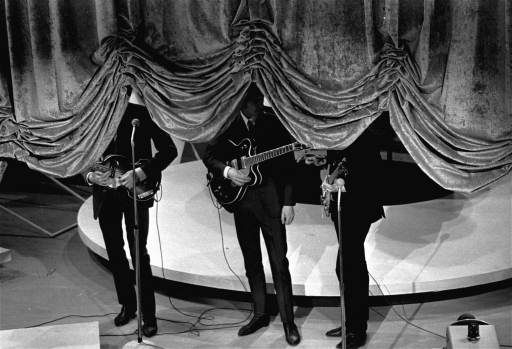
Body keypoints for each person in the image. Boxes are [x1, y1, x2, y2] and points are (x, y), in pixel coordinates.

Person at [202, 85, 301, 346]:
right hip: (241, 200)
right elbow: (209, 156)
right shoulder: (228, 124)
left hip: (270, 199)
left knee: (280, 263)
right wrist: (228, 173)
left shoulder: (273, 123)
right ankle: (259, 313)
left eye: (258, 102)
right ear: (241, 104)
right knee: (252, 261)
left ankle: (288, 322)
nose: (256, 108)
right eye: (251, 103)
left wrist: (288, 203)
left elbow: (290, 166)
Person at [86, 88, 177, 337]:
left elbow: (169, 151)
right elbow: (83, 155)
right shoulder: (94, 116)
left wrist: (140, 173)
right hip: (105, 194)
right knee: (115, 252)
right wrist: (88, 174)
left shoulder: (141, 114)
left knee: (139, 253)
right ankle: (128, 305)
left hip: (135, 193)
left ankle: (149, 316)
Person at [305, 128, 384, 349]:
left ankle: (357, 330)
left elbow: (373, 170)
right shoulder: (338, 134)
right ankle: (350, 323)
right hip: (344, 208)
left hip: (359, 207)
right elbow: (335, 163)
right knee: (348, 266)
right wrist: (327, 176)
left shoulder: (364, 134)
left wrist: (344, 183)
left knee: (349, 266)